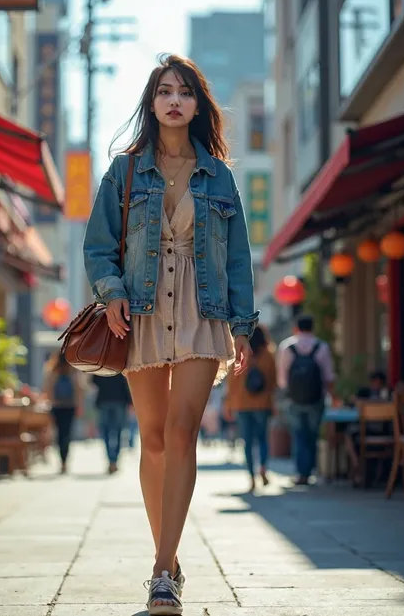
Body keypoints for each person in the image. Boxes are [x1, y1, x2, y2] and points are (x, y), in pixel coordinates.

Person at [83, 53, 258, 615]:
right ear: (152, 102)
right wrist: (111, 294)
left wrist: (243, 326)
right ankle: (171, 556)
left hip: (204, 312)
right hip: (140, 312)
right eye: (165, 90)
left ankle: (162, 572)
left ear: (198, 105)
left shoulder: (220, 176)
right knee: (153, 438)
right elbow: (98, 244)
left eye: (185, 91)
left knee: (183, 433)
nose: (175, 99)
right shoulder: (125, 170)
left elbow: (237, 259)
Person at [277, 314, 335, 486]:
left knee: (299, 435)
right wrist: (331, 395)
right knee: (313, 435)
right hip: (316, 399)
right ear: (313, 327)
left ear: (297, 328)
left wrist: (288, 390)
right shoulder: (321, 347)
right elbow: (328, 375)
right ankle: (311, 470)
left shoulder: (287, 346)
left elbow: (282, 378)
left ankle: (302, 473)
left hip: (294, 399)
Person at [225, 324, 276, 492]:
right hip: (263, 403)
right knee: (262, 438)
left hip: (242, 404)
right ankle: (263, 467)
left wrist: (228, 405)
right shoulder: (268, 355)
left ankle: (251, 477)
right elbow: (273, 382)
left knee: (246, 442)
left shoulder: (239, 355)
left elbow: (231, 383)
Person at [345, 369, 391, 484]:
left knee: (351, 434)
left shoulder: (387, 394)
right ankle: (357, 465)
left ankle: (358, 469)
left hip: (383, 432)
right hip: (366, 431)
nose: (376, 384)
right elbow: (351, 402)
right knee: (349, 434)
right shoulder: (364, 392)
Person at [43, 352, 84, 474]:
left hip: (57, 406)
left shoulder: (52, 370)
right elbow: (79, 388)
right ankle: (65, 460)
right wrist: (78, 405)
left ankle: (62, 460)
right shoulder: (73, 370)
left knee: (59, 434)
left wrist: (50, 402)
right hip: (70, 406)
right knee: (67, 434)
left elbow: (47, 388)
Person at [91, 373, 132, 474]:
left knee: (105, 431)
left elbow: (94, 381)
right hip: (119, 400)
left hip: (104, 400)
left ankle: (111, 459)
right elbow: (126, 383)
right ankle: (114, 460)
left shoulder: (101, 362)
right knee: (118, 431)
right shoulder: (121, 362)